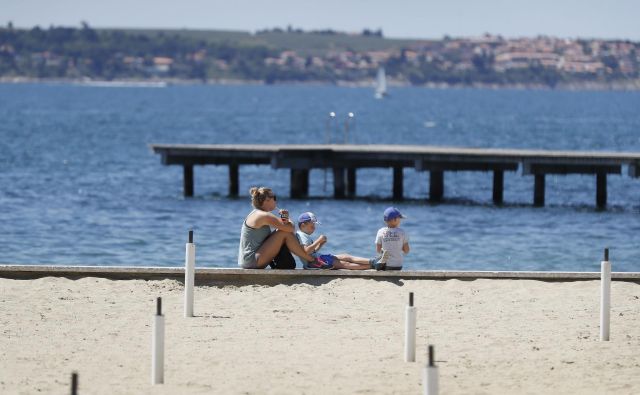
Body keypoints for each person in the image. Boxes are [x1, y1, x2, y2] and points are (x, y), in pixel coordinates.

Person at [238, 187, 320, 269]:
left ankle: (310, 260)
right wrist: (287, 218)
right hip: (251, 261)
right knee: (284, 232)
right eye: (274, 198)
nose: (276, 201)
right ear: (267, 200)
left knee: (282, 231)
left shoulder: (257, 213)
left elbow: (285, 227)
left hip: (250, 260)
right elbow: (290, 228)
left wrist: (285, 218)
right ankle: (311, 260)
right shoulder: (263, 216)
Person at [295, 212, 388, 270]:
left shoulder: (304, 235)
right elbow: (306, 251)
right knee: (345, 264)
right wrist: (319, 240)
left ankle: (373, 261)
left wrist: (321, 244)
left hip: (318, 259)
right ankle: (373, 265)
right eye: (312, 226)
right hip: (316, 263)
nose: (314, 228)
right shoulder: (302, 235)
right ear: (303, 225)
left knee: (346, 256)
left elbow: (312, 252)